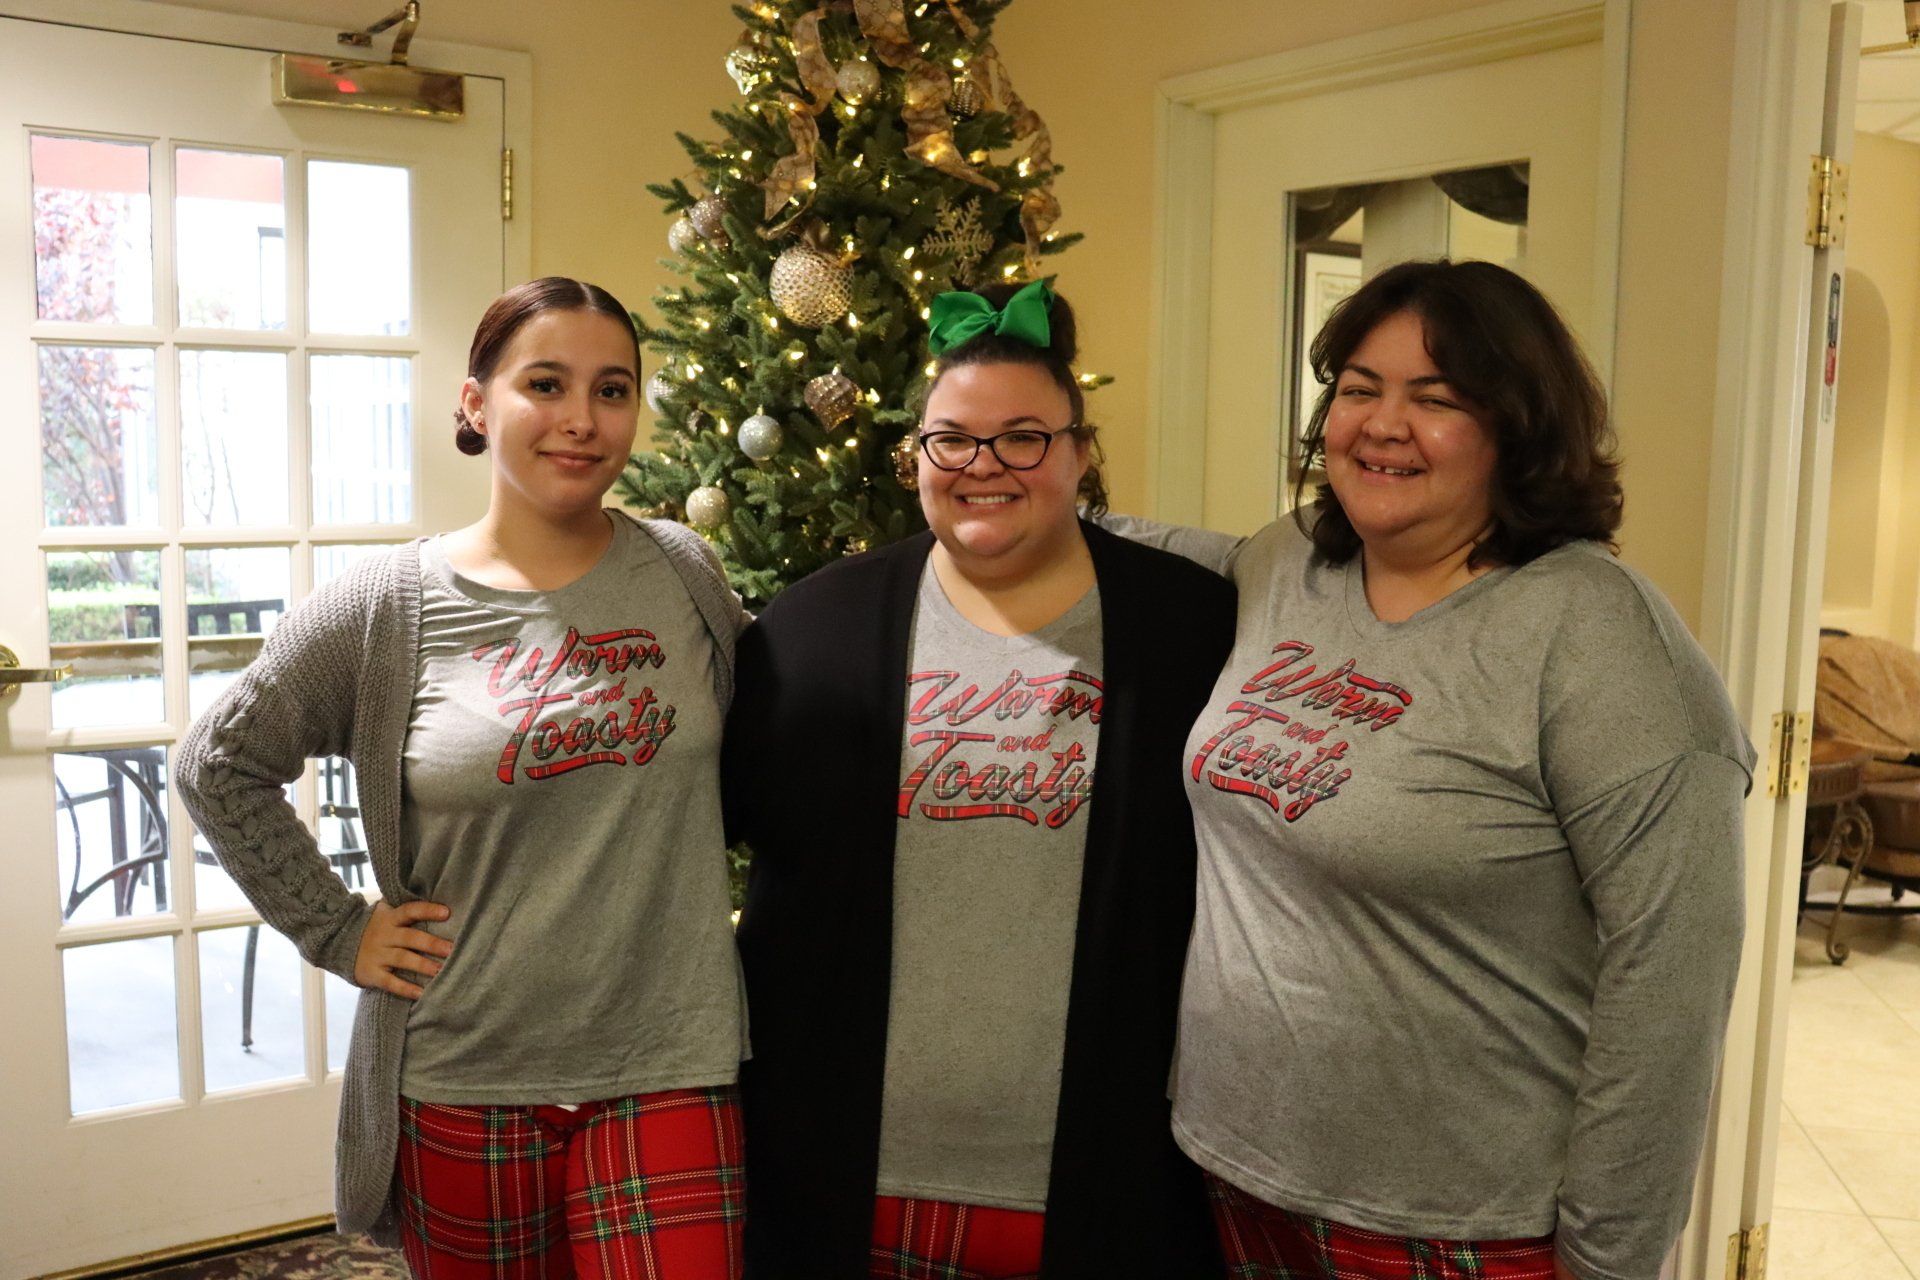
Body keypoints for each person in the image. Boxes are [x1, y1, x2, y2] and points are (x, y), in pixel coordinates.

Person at [1116, 258, 1753, 1280]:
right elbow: (1166, 551)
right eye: (1359, 388)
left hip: (1463, 1228)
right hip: (1234, 1171)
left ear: (1519, 428)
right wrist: (1019, 488)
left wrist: (1608, 1258)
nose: (1380, 423)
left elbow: (1670, 988)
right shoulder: (1289, 564)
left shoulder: (1600, 640)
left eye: (1437, 398)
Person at [175, 277, 751, 1280]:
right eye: (546, 382)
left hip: (669, 1056)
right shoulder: (385, 605)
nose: (581, 418)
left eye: (612, 388)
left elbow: (784, 752)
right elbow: (216, 761)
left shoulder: (684, 573)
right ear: (478, 404)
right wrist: (337, 926)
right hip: (464, 1065)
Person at [724, 280, 1234, 1279]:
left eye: (1024, 437)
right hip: (846, 1167)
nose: (983, 466)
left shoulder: (1190, 630)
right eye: (951, 438)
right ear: (917, 451)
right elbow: (695, 835)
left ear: (1081, 452)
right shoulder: (813, 630)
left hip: (1108, 1174)